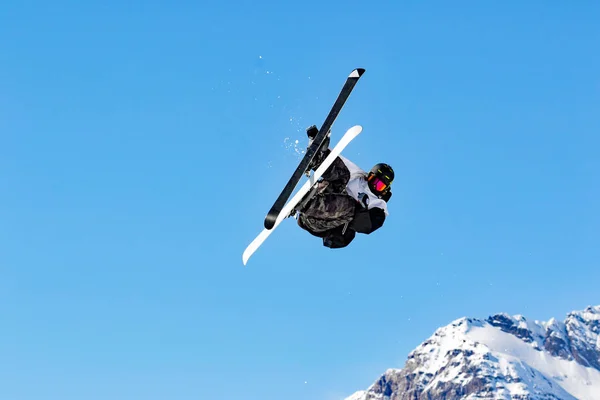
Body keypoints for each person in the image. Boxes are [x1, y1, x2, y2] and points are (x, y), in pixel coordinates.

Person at [294, 125, 394, 249]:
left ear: (385, 190)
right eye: (374, 181)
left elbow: (366, 226)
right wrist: (321, 148)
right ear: (369, 175)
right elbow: (340, 160)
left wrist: (362, 208)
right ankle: (317, 158)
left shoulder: (379, 206)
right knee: (343, 174)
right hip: (312, 206)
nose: (375, 186)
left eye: (380, 186)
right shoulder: (358, 176)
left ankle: (308, 204)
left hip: (322, 223)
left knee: (352, 206)